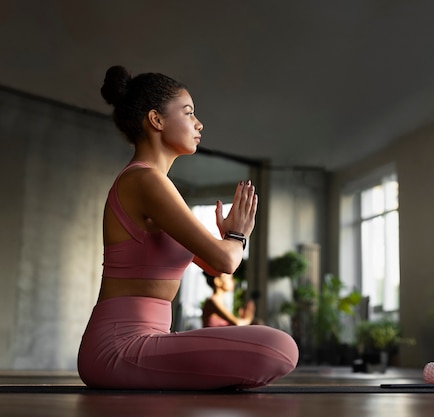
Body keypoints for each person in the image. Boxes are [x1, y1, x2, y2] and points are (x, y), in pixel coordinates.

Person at [77, 66, 299, 390]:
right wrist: (238, 235)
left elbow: (216, 265)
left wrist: (227, 240)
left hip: (144, 339)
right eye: (188, 112)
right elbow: (226, 261)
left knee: (275, 349)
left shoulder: (158, 185)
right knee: (280, 348)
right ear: (156, 120)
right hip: (118, 346)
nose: (199, 123)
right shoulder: (145, 181)